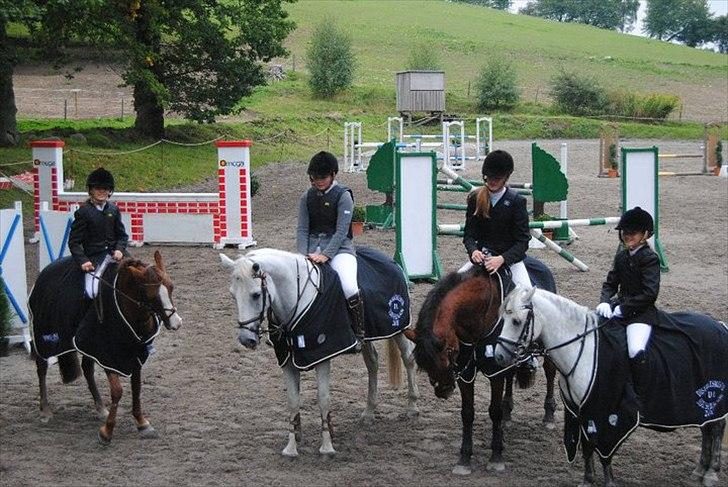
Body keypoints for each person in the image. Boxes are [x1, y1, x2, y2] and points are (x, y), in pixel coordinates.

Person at [296, 151, 364, 349]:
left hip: (340, 249)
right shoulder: (306, 197)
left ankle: (358, 332)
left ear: (333, 175)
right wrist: (302, 255)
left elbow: (342, 231)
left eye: (322, 177)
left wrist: (326, 255)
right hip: (310, 249)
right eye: (314, 177)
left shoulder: (343, 196)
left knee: (349, 287)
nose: (318, 181)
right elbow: (302, 229)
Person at [595, 207, 659, 380]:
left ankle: (640, 392)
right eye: (625, 233)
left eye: (633, 233)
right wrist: (605, 301)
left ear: (645, 234)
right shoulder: (622, 257)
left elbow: (650, 293)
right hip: (618, 306)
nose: (628, 236)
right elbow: (610, 283)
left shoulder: (650, 258)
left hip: (640, 314)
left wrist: (623, 309)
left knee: (635, 349)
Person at [460, 150, 532, 290]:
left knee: (526, 296)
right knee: (450, 290)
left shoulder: (516, 201)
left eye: (497, 178)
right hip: (483, 259)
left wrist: (502, 259)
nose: (492, 181)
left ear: (505, 178)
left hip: (509, 261)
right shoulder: (475, 199)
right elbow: (469, 235)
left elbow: (523, 241)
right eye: (489, 177)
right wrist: (474, 251)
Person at [68, 167, 129, 301]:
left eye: (105, 189)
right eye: (98, 188)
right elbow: (74, 242)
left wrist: (120, 249)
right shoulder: (83, 212)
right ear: (91, 190)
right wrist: (83, 261)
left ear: (109, 191)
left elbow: (122, 236)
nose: (102, 192)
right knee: (92, 291)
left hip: (116, 256)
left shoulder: (113, 210)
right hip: (95, 259)